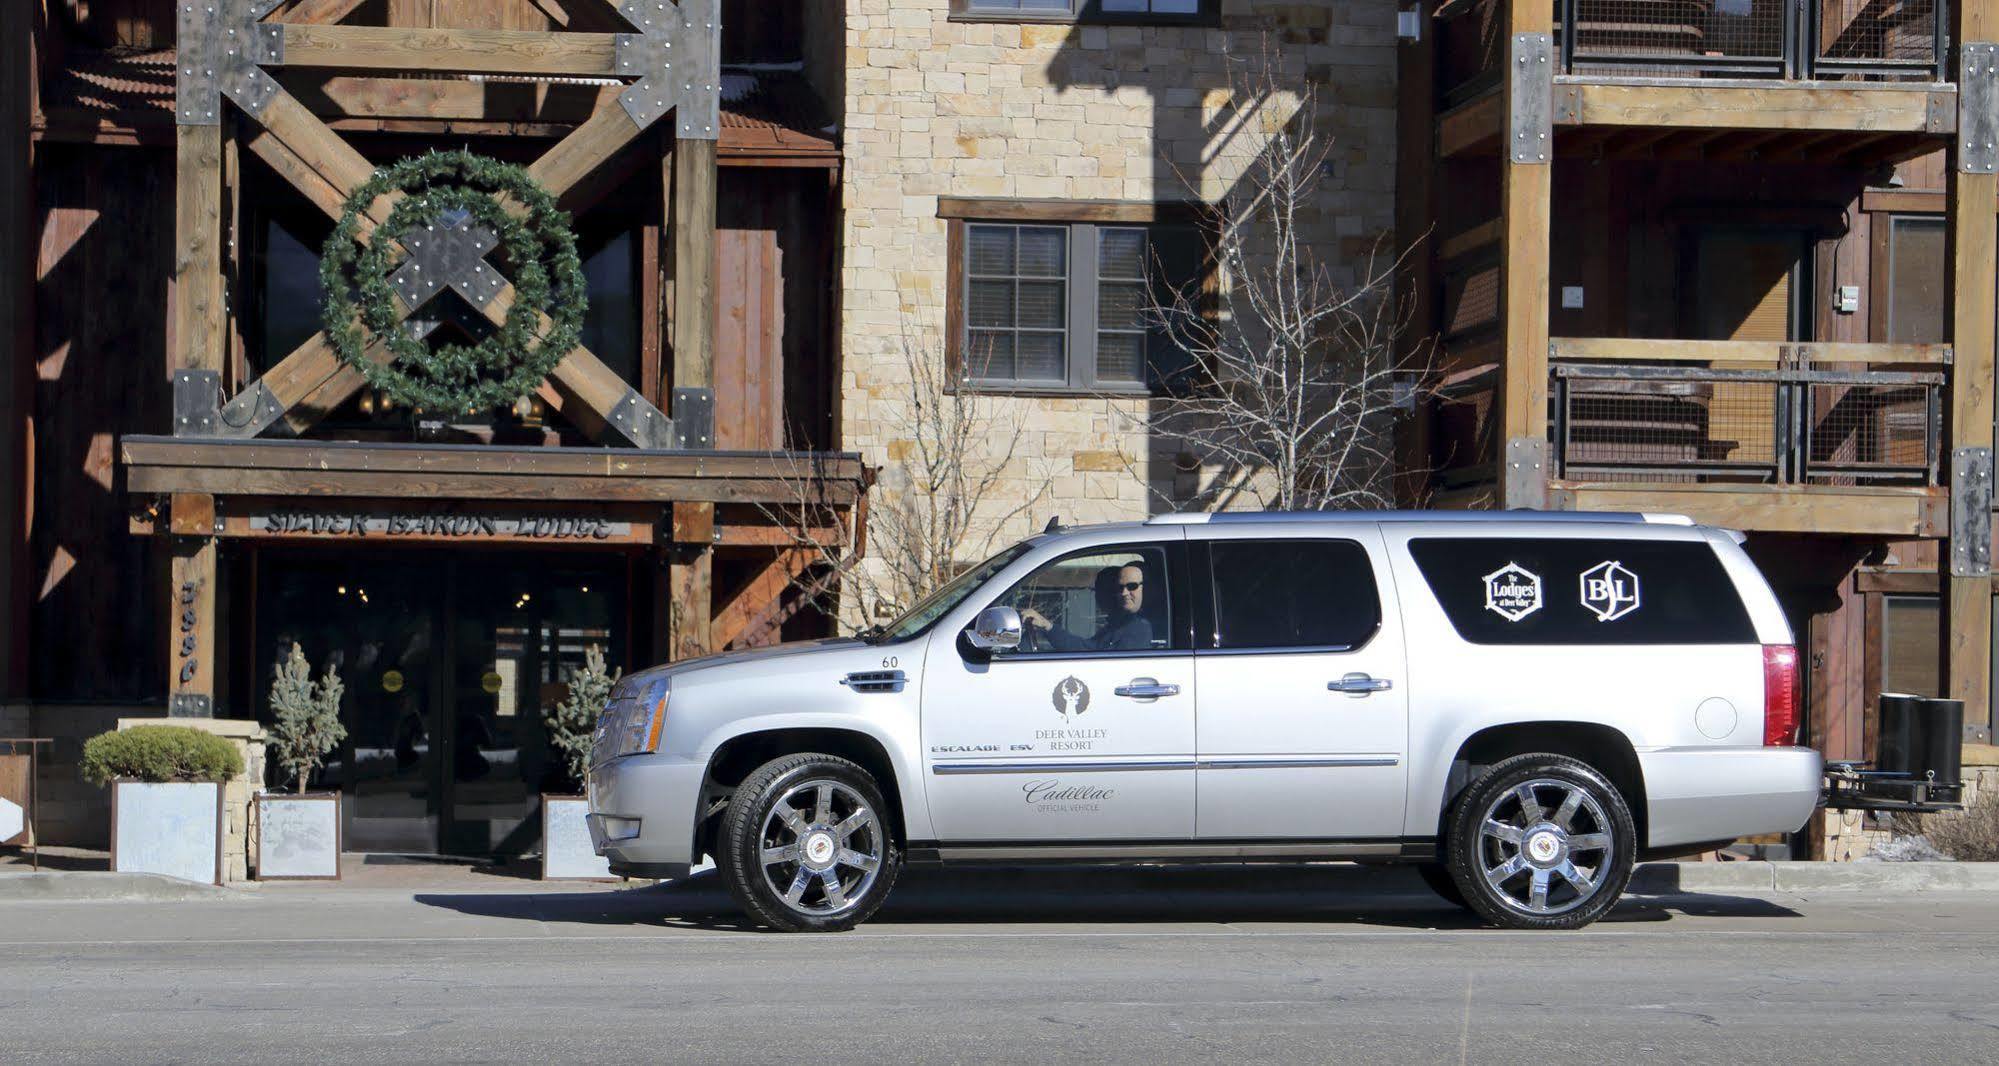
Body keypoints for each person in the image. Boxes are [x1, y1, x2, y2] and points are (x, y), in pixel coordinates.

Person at [1019, 562, 1153, 652]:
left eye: (1132, 586)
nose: (1124, 593)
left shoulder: (1139, 629)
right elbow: (1087, 648)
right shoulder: (1119, 626)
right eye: (1119, 588)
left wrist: (1048, 627)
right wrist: (1047, 626)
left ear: (1146, 588)